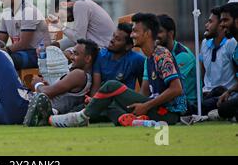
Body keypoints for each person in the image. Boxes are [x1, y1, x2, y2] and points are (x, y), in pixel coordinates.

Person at [48, 13, 187, 127]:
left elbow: (177, 89)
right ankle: (135, 121)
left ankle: (80, 118)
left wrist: (146, 106)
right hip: (154, 108)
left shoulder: (161, 54)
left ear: (147, 33)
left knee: (111, 86)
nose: (132, 35)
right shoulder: (149, 57)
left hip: (169, 113)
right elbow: (144, 91)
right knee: (109, 102)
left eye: (135, 31)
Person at [199, 6, 237, 114]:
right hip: (207, 94)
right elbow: (203, 72)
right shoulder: (204, 43)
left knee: (218, 92)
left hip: (225, 94)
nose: (206, 25)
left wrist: (230, 92)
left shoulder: (231, 43)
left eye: (210, 22)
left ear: (220, 25)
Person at [90, 23, 144, 96]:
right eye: (113, 36)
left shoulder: (137, 60)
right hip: (101, 100)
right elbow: (95, 87)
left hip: (123, 103)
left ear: (128, 46)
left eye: (117, 39)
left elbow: (144, 89)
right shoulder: (100, 55)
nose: (112, 40)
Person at [156, 14, 196, 106]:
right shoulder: (153, 54)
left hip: (186, 105)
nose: (155, 36)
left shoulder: (183, 55)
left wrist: (147, 105)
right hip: (166, 101)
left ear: (170, 33)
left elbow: (173, 88)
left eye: (159, 32)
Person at [48, 0, 115, 50]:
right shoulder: (81, 5)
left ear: (63, 4)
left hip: (104, 51)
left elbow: (79, 39)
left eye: (59, 15)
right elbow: (77, 37)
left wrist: (61, 27)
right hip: (100, 48)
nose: (61, 19)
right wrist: (58, 44)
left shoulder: (80, 5)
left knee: (67, 55)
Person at [216, 2, 238, 121]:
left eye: (226, 20)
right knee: (223, 107)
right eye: (221, 21)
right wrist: (229, 91)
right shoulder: (235, 50)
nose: (222, 25)